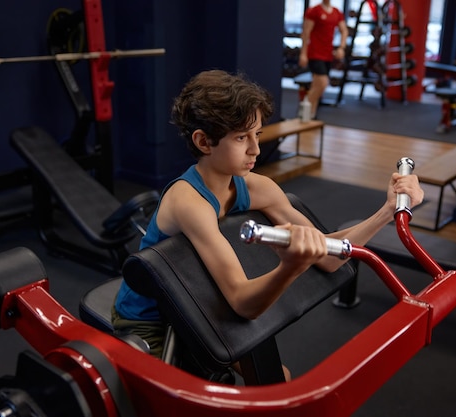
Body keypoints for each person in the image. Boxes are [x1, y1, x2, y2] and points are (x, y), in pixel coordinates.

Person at [112, 69, 424, 381]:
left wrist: (386, 210)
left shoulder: (256, 187)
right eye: (241, 138)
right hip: (153, 324)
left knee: (278, 378)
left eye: (257, 134)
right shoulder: (188, 202)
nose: (255, 149)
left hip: (201, 304)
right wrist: (290, 267)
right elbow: (242, 303)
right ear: (204, 141)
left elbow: (328, 257)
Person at [298, 0, 349, 119]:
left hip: (327, 55)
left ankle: (310, 117)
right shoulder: (314, 11)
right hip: (314, 54)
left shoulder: (336, 12)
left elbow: (344, 31)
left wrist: (341, 47)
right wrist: (303, 54)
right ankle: (304, 108)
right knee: (323, 83)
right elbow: (306, 33)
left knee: (316, 86)